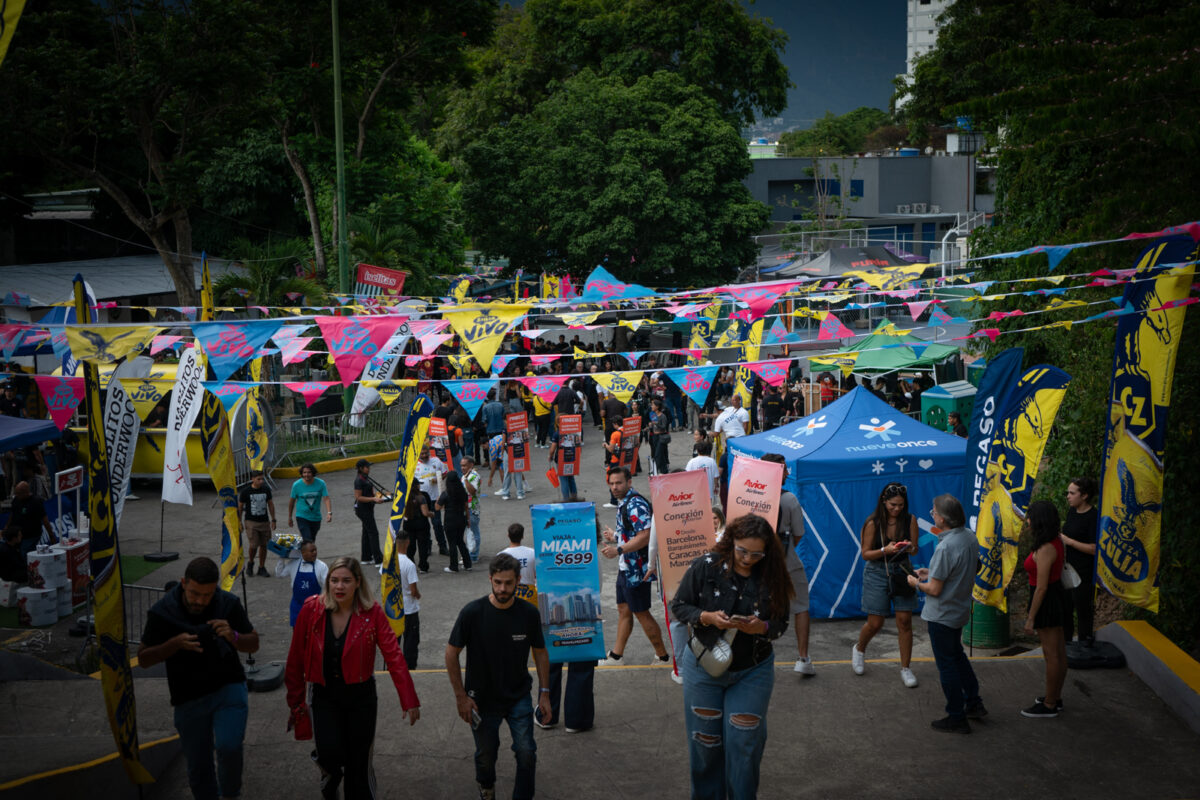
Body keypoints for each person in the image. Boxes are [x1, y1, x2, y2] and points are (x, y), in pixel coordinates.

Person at [669, 514, 793, 799]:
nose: (748, 559)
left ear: (767, 551)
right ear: (731, 541)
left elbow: (781, 623)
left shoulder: (772, 575)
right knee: (705, 743)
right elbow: (680, 606)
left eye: (756, 554)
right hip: (703, 667)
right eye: (742, 551)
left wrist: (761, 627)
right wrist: (706, 617)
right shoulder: (706, 566)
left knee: (744, 743)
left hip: (753, 670)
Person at [286, 557, 421, 798]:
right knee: (329, 753)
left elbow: (394, 656)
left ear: (358, 582)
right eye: (334, 580)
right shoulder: (311, 609)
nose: (339, 586)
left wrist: (408, 698)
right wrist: (296, 702)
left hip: (361, 698)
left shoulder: (373, 613)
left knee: (358, 764)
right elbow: (295, 659)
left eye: (346, 581)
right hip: (324, 696)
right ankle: (329, 774)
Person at [138, 557, 260, 800]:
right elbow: (143, 659)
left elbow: (253, 643)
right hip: (188, 696)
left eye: (207, 595)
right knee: (198, 764)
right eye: (195, 593)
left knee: (229, 746)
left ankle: (230, 794)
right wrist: (173, 645)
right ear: (183, 583)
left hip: (228, 687)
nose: (200, 601)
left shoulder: (227, 603)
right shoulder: (163, 612)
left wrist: (234, 636)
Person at [445, 554, 551, 800]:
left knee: (526, 752)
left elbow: (540, 653)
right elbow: (451, 654)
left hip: (518, 696)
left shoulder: (528, 614)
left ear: (518, 581)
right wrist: (461, 697)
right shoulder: (472, 613)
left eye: (508, 583)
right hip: (481, 700)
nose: (503, 589)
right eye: (498, 582)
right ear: (490, 579)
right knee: (486, 755)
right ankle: (487, 787)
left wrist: (545, 694)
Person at [907, 494, 985, 733]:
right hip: (959, 611)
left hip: (941, 615)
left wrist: (916, 583)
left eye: (934, 512)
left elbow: (934, 589)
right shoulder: (969, 537)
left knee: (947, 665)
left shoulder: (945, 546)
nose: (932, 515)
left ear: (942, 519)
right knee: (957, 656)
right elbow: (969, 567)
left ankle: (956, 715)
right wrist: (930, 571)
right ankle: (974, 702)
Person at [599, 467, 671, 664]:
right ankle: (616, 656)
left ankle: (663, 656)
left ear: (629, 482)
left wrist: (618, 550)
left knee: (641, 612)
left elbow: (645, 536)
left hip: (636, 570)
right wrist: (616, 536)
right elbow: (632, 533)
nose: (614, 487)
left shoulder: (635, 504)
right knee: (624, 609)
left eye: (619, 483)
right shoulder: (624, 502)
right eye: (612, 483)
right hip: (626, 567)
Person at [852, 482, 920, 688]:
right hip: (877, 571)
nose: (897, 509)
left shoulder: (910, 520)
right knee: (875, 622)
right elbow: (865, 554)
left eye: (900, 505)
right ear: (884, 502)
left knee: (905, 621)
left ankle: (906, 668)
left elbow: (915, 550)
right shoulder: (873, 523)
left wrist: (909, 547)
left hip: (902, 570)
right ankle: (859, 649)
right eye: (893, 505)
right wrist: (885, 550)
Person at [760, 453, 814, 676]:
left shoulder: (751, 496)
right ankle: (803, 658)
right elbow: (798, 534)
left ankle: (757, 656)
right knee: (800, 606)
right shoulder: (789, 499)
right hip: (787, 561)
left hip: (757, 563)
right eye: (784, 470)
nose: (787, 474)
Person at [1022, 500, 1068, 719]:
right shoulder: (1055, 540)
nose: (1027, 522)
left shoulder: (1046, 548)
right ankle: (1054, 697)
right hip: (1055, 597)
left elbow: (1041, 587)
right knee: (1058, 652)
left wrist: (1031, 618)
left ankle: (1050, 704)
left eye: (1030, 518)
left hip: (1047, 600)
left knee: (1052, 655)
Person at [1060, 476, 1099, 644]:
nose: (1068, 496)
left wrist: (1069, 542)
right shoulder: (1072, 512)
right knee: (1066, 610)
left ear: (1084, 496)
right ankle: (1066, 644)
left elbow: (1094, 548)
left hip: (1084, 572)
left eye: (1072, 493)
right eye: (1067, 493)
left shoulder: (1093, 516)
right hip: (1067, 569)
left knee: (1083, 611)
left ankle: (1085, 643)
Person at [279, 539, 329, 626]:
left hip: (315, 607)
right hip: (297, 606)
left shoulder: (322, 566)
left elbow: (328, 586)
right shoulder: (294, 564)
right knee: (297, 630)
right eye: (311, 551)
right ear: (303, 553)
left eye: (315, 550)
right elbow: (280, 574)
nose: (315, 553)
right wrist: (281, 558)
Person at [393, 531, 422, 669]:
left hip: (393, 606)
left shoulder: (389, 562)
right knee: (411, 640)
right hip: (409, 608)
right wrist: (418, 595)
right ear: (408, 542)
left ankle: (393, 666)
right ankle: (410, 667)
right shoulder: (409, 565)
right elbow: (413, 590)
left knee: (394, 640)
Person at [238, 471, 275, 576]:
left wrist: (273, 519)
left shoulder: (266, 490)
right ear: (252, 479)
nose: (261, 481)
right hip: (251, 522)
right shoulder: (245, 492)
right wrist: (239, 522)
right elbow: (240, 507)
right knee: (253, 545)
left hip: (264, 521)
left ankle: (261, 567)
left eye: (262, 479)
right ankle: (250, 563)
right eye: (258, 479)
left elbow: (270, 504)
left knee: (264, 545)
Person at [353, 459, 389, 565]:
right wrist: (373, 499)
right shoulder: (359, 480)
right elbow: (358, 497)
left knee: (366, 532)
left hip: (368, 508)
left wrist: (378, 497)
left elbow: (369, 493)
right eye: (367, 467)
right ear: (361, 468)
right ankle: (378, 560)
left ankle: (366, 557)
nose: (369, 469)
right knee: (373, 533)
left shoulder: (365, 478)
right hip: (363, 510)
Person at [415, 447, 449, 555]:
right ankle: (427, 547)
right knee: (424, 525)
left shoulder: (436, 461)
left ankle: (442, 547)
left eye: (426, 453)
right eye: (422, 454)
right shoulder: (414, 465)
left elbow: (445, 472)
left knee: (437, 523)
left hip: (435, 498)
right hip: (421, 500)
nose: (424, 455)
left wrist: (438, 479)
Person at [438, 471, 473, 573]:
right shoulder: (462, 492)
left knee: (452, 543)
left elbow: (437, 507)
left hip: (450, 520)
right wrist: (468, 520)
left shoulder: (445, 494)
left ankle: (453, 566)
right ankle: (468, 564)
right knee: (460, 541)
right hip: (461, 519)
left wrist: (438, 499)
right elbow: (466, 507)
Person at [7, 481, 55, 555]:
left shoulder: (36, 502)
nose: (16, 495)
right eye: (16, 493)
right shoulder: (16, 499)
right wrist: (7, 526)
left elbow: (44, 519)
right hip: (17, 534)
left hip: (31, 535)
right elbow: (12, 513)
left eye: (18, 493)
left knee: (25, 552)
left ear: (25, 492)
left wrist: (51, 535)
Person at [288, 463, 332, 542]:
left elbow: (326, 498)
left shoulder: (321, 483)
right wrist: (290, 517)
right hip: (302, 516)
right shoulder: (296, 485)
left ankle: (305, 549)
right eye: (304, 472)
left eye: (309, 472)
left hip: (316, 517)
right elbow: (292, 502)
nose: (306, 475)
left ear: (313, 473)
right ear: (302, 474)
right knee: (307, 539)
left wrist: (329, 513)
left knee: (311, 540)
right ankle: (305, 549)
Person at [403, 478, 435, 573]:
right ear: (416, 486)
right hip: (421, 524)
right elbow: (425, 513)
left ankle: (410, 565)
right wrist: (432, 514)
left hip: (408, 524)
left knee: (410, 546)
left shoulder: (404, 497)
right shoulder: (421, 497)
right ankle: (423, 566)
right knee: (422, 546)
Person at [499, 523, 535, 590]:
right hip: (529, 592)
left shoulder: (501, 556)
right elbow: (537, 575)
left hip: (510, 591)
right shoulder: (532, 553)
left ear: (508, 535)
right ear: (522, 536)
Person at [461, 456, 483, 561]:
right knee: (468, 533)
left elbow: (472, 491)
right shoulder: (465, 475)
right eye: (461, 465)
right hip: (465, 508)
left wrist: (465, 480)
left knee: (474, 533)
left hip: (472, 508)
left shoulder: (474, 476)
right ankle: (470, 553)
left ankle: (473, 556)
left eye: (464, 465)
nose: (462, 467)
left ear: (471, 465)